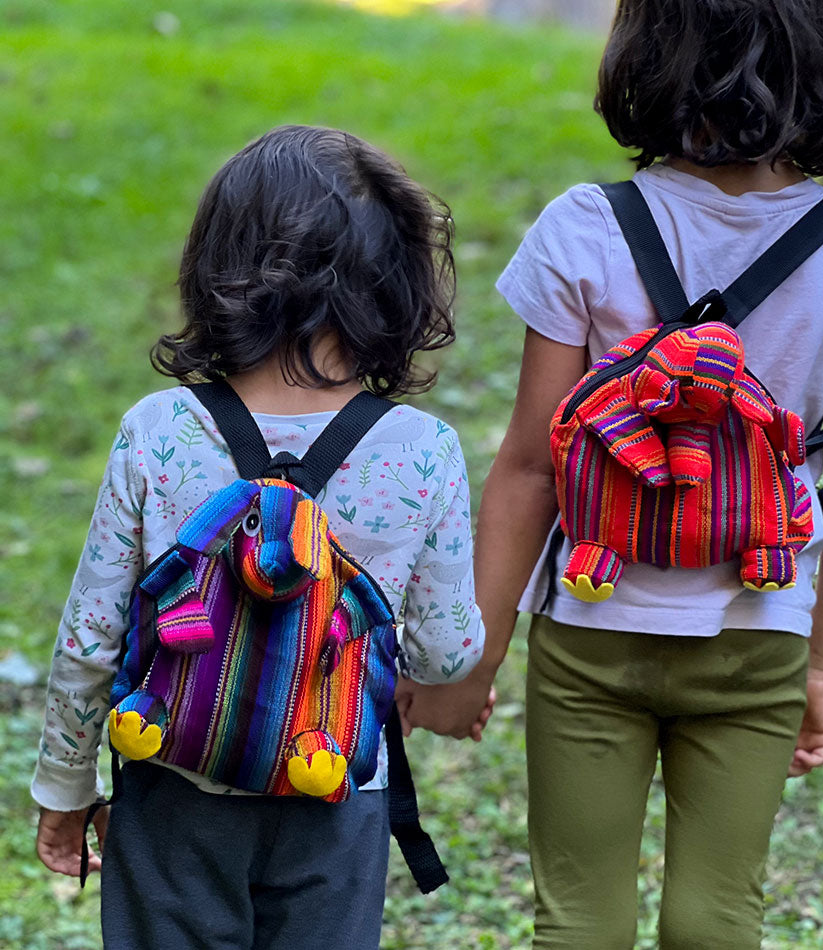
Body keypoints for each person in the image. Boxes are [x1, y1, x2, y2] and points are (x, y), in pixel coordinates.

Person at [403, 2, 823, 948]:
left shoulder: (587, 228)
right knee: (719, 914)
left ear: (646, 51)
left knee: (578, 917)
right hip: (759, 632)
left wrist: (470, 660)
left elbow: (531, 463)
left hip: (595, 627)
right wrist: (821, 663)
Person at [32, 124, 490, 950]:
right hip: (335, 796)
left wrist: (66, 789)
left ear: (219, 267)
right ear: (396, 282)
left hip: (174, 789)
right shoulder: (423, 449)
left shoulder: (158, 428)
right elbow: (445, 653)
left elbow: (91, 638)